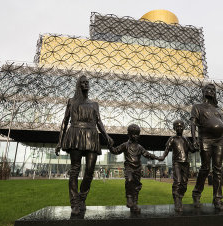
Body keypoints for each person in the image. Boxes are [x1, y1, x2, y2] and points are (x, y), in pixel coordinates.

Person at [55, 75, 113, 216]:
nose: (86, 84)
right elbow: (64, 121)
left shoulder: (94, 104)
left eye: (87, 82)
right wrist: (59, 141)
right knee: (75, 170)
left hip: (91, 136)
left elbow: (99, 122)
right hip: (75, 133)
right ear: (78, 85)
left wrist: (106, 136)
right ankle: (75, 202)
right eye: (83, 83)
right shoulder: (71, 102)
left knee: (89, 171)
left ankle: (82, 198)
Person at [191, 83, 223, 211]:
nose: (211, 91)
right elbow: (193, 124)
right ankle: (197, 193)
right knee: (205, 167)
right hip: (205, 139)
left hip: (220, 140)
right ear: (203, 91)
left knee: (218, 169)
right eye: (208, 89)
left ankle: (218, 199)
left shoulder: (217, 110)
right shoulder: (197, 107)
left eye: (213, 90)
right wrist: (194, 139)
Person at [109, 124, 159, 213]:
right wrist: (110, 145)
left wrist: (157, 157)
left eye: (137, 134)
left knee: (136, 187)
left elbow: (147, 154)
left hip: (137, 169)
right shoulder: (125, 145)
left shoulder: (139, 147)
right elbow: (115, 151)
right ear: (129, 134)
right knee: (129, 180)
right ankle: (129, 197)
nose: (136, 136)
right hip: (129, 168)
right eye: (133, 134)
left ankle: (134, 205)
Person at [158, 120, 196, 212]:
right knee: (178, 182)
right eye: (177, 126)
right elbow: (167, 149)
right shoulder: (172, 139)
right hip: (177, 163)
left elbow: (192, 149)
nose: (179, 128)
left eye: (181, 126)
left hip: (185, 163)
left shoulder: (186, 139)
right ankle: (177, 201)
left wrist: (196, 144)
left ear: (183, 127)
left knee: (184, 184)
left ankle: (180, 197)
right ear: (174, 128)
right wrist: (163, 156)